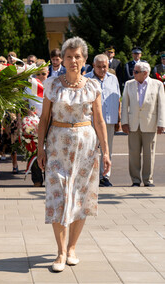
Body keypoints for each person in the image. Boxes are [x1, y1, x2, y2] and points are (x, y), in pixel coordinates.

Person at [37, 37, 111, 272]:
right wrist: (40, 148)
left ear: (84, 59)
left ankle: (72, 249)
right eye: (68, 56)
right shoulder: (51, 84)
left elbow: (98, 120)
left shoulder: (92, 86)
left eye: (77, 56)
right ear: (63, 59)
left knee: (81, 195)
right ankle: (59, 252)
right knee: (57, 195)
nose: (72, 61)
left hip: (86, 147)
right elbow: (44, 119)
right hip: (57, 146)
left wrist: (106, 151)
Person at [121, 62, 165, 187]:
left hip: (150, 123)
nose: (133, 74)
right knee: (133, 153)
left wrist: (161, 123)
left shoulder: (158, 85)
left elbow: (162, 105)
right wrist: (124, 122)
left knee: (149, 154)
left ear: (145, 73)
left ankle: (148, 180)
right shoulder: (129, 84)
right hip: (133, 124)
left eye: (136, 72)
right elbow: (124, 104)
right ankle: (135, 180)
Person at [85, 54, 121, 187]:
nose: (102, 69)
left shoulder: (113, 79)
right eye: (99, 67)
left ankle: (105, 176)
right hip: (91, 121)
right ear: (93, 66)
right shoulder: (86, 79)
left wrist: (118, 118)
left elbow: (117, 98)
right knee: (90, 148)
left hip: (109, 120)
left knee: (107, 149)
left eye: (104, 66)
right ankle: (90, 176)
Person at [26, 64, 49, 187]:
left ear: (48, 73)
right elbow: (23, 103)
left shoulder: (52, 85)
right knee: (34, 151)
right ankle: (37, 180)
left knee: (49, 150)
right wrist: (28, 112)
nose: (40, 77)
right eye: (38, 74)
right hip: (33, 123)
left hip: (50, 122)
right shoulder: (30, 86)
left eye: (43, 74)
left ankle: (49, 177)